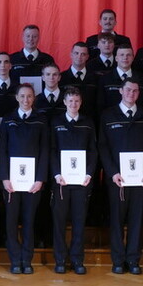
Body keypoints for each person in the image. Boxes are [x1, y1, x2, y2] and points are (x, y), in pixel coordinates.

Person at [97, 77, 143, 274]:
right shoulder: (108, 115)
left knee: (136, 219)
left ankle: (133, 259)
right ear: (120, 92)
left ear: (139, 93)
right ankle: (117, 259)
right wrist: (112, 172)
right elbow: (103, 147)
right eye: (128, 90)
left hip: (141, 179)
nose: (131, 94)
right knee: (116, 219)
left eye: (135, 91)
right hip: (117, 179)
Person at [0, 83, 49, 274]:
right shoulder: (8, 119)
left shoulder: (41, 120)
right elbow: (1, 150)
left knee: (29, 221)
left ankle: (27, 259)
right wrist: (4, 178)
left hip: (32, 183)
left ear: (33, 98)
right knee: (11, 221)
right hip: (11, 182)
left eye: (29, 96)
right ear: (17, 98)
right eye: (22, 96)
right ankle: (15, 259)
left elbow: (45, 151)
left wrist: (40, 179)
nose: (26, 100)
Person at [49, 87, 97, 274]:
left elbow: (93, 150)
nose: (73, 104)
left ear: (81, 103)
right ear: (64, 102)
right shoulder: (56, 122)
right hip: (61, 181)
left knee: (79, 221)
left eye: (76, 101)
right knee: (59, 221)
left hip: (82, 182)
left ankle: (77, 260)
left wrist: (89, 174)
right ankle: (60, 259)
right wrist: (56, 173)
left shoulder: (88, 123)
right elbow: (52, 150)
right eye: (70, 101)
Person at [97, 45, 143, 112]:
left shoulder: (142, 79)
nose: (125, 58)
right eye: (122, 55)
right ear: (116, 58)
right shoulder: (105, 79)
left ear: (133, 58)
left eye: (128, 55)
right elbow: (100, 105)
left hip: (137, 119)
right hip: (111, 120)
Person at [60, 41, 99, 119]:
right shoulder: (61, 78)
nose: (79, 57)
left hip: (90, 122)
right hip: (67, 122)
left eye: (83, 54)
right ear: (71, 54)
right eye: (76, 53)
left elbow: (98, 104)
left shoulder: (95, 78)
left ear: (87, 57)